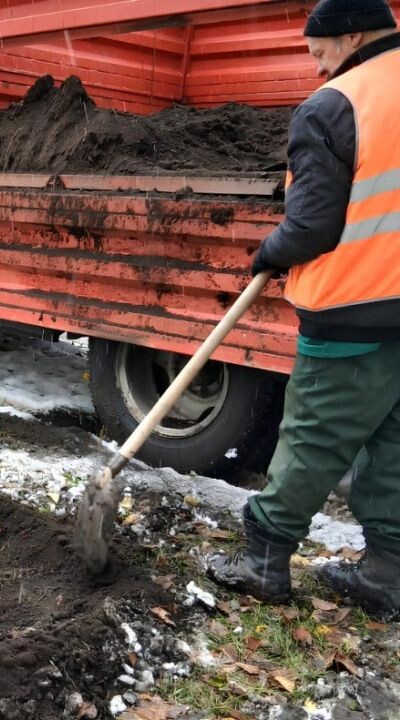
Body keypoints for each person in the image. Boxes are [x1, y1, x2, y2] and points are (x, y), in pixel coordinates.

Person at [205, 0, 400, 617]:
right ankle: (388, 574)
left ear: (352, 36)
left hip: (355, 306)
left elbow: (313, 225)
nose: (317, 69)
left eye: (319, 53)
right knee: (395, 443)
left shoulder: (336, 105)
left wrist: (269, 249)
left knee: (314, 436)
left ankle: (263, 561)